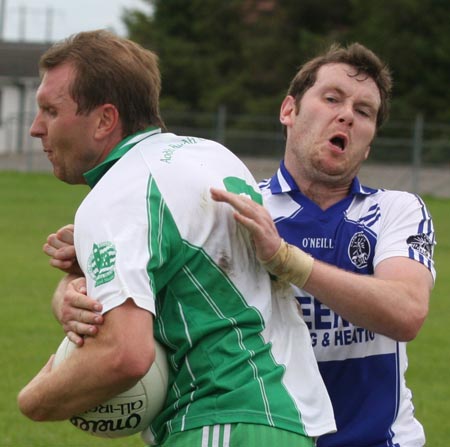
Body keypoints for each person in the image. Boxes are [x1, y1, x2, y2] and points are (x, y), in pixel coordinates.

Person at [52, 42, 436, 447]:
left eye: (364, 112)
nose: (346, 115)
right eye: (332, 98)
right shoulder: (232, 203)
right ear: (289, 110)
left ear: (370, 139)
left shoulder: (395, 210)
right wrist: (73, 290)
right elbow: (156, 297)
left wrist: (286, 259)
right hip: (265, 433)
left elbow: (406, 312)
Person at [17, 30, 336, 446]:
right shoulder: (211, 155)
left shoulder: (120, 193)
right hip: (288, 420)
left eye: (50, 111)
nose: (35, 129)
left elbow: (125, 355)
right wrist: (76, 279)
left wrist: (33, 400)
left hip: (218, 417)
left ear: (104, 121)